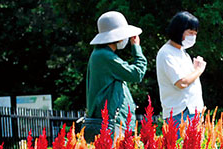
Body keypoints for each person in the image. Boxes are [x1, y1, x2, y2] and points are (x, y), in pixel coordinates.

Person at [84, 11, 147, 141]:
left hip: (112, 122)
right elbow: (136, 73)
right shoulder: (104, 56)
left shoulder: (100, 55)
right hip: (112, 124)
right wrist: (136, 48)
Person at [156, 11, 205, 133]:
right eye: (190, 32)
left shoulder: (182, 52)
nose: (193, 37)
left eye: (195, 34)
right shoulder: (166, 53)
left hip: (193, 110)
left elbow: (188, 78)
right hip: (179, 113)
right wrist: (199, 70)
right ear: (178, 30)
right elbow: (181, 83)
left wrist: (194, 69)